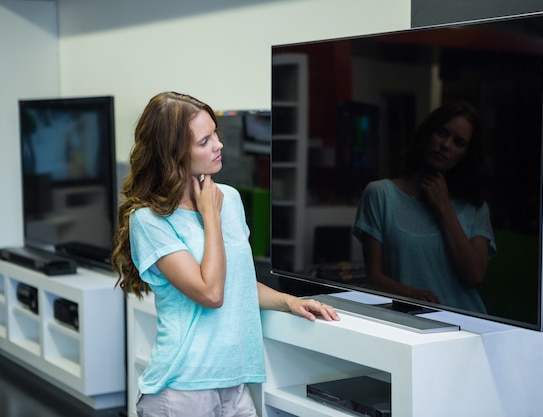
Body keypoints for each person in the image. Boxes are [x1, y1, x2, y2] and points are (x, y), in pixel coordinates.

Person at [111, 92, 339, 417]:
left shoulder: (227, 199)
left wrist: (289, 301)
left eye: (215, 133)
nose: (218, 145)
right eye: (204, 141)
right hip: (181, 389)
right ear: (173, 153)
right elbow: (211, 292)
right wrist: (209, 216)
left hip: (234, 382)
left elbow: (236, 282)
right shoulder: (149, 220)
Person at [352, 101, 496, 313]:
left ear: (466, 154)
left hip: (468, 328)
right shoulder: (380, 194)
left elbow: (474, 277)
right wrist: (412, 295)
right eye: (442, 132)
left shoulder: (474, 208)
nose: (446, 145)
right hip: (410, 325)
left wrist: (444, 208)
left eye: (458, 142)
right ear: (428, 133)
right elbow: (375, 278)